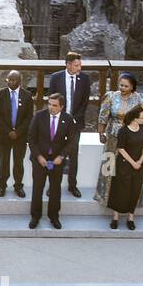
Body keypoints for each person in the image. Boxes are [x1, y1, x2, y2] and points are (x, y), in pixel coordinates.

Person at [94, 73, 143, 207]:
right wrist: (101, 133)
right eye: (121, 85)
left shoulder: (141, 99)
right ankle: (105, 196)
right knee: (109, 166)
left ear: (132, 87)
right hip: (113, 138)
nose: (122, 88)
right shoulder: (111, 97)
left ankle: (132, 201)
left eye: (126, 86)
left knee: (129, 169)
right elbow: (103, 116)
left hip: (132, 139)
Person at [27, 93, 75, 229]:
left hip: (57, 160)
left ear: (61, 107)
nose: (51, 107)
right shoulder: (39, 116)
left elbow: (72, 142)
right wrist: (38, 157)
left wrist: (61, 156)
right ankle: (35, 217)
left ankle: (54, 217)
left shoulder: (68, 119)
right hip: (39, 160)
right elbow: (31, 138)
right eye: (49, 104)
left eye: (54, 105)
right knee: (37, 188)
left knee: (55, 189)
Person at [47, 52, 91, 197]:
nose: (79, 68)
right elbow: (52, 100)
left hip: (76, 123)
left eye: (80, 65)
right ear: (68, 64)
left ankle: (72, 185)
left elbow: (85, 102)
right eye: (76, 65)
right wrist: (61, 117)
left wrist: (73, 119)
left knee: (73, 155)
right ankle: (52, 185)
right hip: (58, 121)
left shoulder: (84, 79)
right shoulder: (55, 78)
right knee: (54, 153)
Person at [107, 105, 143, 231]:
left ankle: (131, 217)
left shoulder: (142, 128)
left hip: (139, 165)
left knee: (135, 190)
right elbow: (121, 149)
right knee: (120, 190)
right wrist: (133, 163)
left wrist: (140, 160)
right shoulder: (123, 131)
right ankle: (115, 217)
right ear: (135, 118)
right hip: (125, 165)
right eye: (142, 117)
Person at [0, 70, 32, 197]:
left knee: (18, 162)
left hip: (20, 136)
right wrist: (9, 131)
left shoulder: (27, 95)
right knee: (3, 162)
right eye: (8, 80)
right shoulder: (0, 94)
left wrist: (18, 132)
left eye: (13, 80)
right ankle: (2, 186)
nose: (10, 82)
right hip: (4, 135)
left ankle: (18, 186)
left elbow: (29, 117)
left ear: (19, 81)